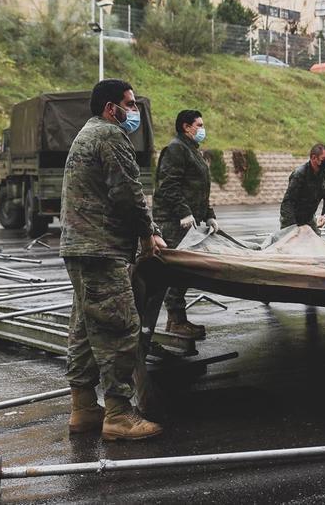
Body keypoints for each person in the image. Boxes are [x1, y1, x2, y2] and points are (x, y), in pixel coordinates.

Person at [60, 79, 166, 440]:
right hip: (100, 249)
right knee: (119, 327)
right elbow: (128, 194)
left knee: (86, 330)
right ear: (111, 107)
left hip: (80, 248)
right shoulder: (110, 135)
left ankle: (84, 408)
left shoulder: (86, 134)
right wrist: (147, 233)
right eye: (130, 104)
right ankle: (119, 415)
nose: (133, 111)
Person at [152, 109, 217, 339]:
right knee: (178, 271)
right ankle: (176, 321)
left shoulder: (192, 150)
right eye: (199, 125)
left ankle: (177, 319)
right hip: (173, 221)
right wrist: (183, 212)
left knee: (184, 271)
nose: (202, 129)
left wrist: (209, 214)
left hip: (189, 220)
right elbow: (168, 185)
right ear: (186, 127)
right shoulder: (176, 149)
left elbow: (200, 188)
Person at [280, 143, 325, 230]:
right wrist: (293, 228)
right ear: (314, 158)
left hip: (309, 217)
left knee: (315, 240)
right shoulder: (299, 174)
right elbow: (288, 203)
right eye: (324, 159)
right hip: (291, 219)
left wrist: (324, 215)